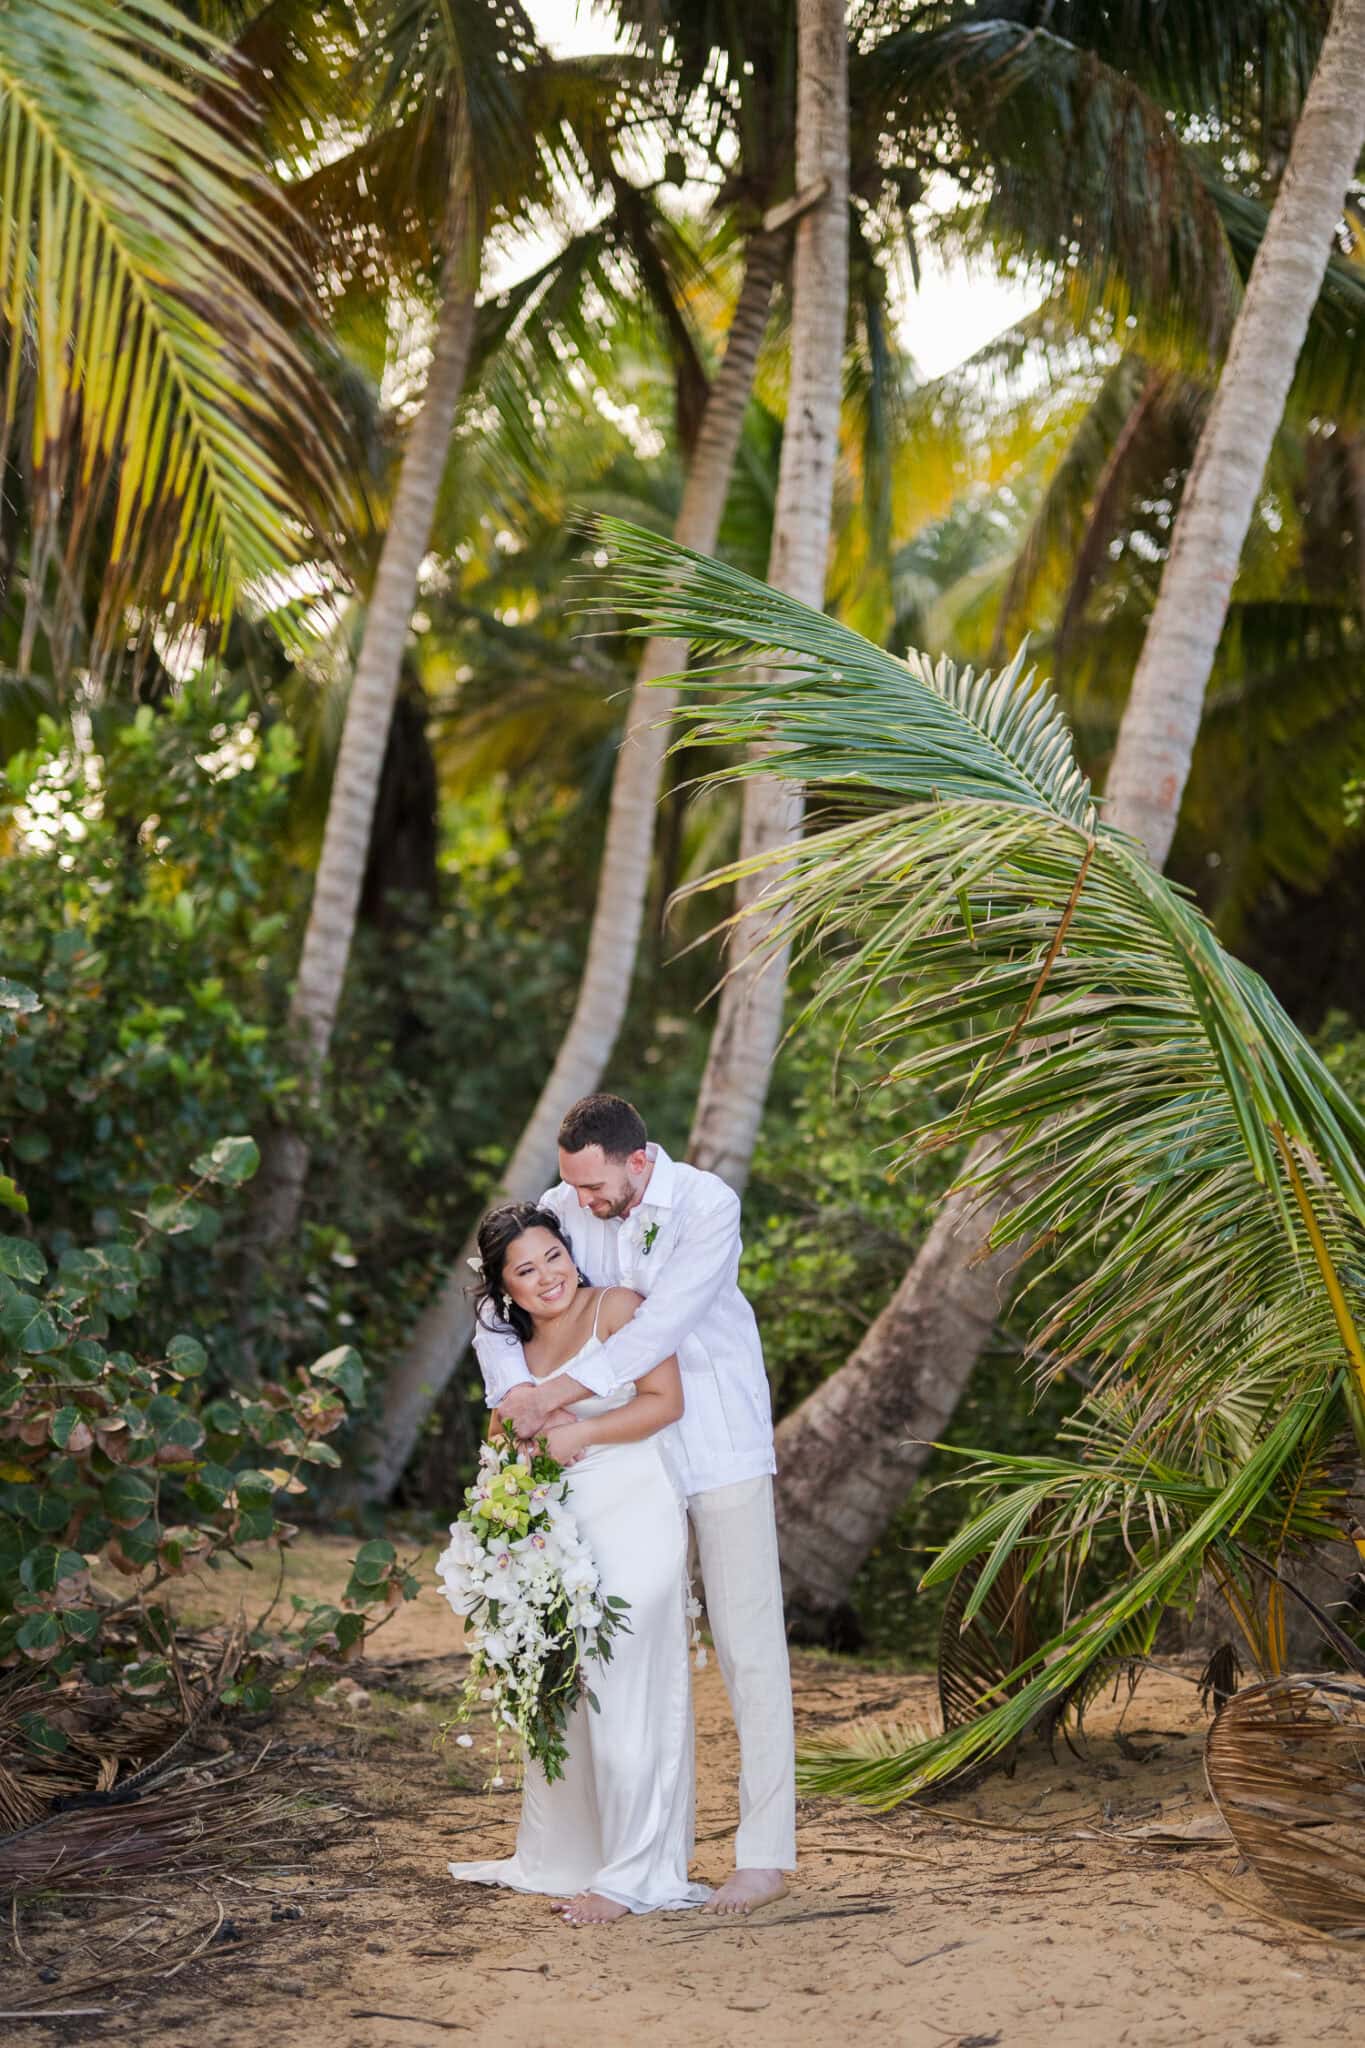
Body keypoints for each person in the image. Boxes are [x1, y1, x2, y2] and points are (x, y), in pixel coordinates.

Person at [475, 1093, 796, 1917]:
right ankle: (627, 1850)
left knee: (747, 1644)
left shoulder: (705, 1205)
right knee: (617, 1648)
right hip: (620, 1462)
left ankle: (762, 1856)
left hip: (715, 1437)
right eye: (572, 1188)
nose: (579, 1204)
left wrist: (548, 1401)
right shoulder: (562, 1201)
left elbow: (657, 1332)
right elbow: (496, 1303)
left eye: (592, 1189)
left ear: (637, 1161)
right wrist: (515, 1393)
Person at [449, 1202, 710, 1925]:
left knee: (627, 1670)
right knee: (564, 1680)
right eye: (525, 1271)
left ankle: (635, 1873)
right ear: (505, 1287)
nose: (546, 1278)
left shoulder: (619, 1308)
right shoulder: (512, 1348)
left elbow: (665, 1403)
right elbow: (504, 1435)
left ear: (570, 1252)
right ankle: (568, 1856)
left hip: (637, 1505)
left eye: (552, 1258)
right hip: (557, 1526)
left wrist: (581, 1434)